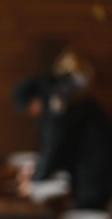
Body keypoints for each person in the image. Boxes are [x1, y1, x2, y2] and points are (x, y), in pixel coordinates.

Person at [12, 73, 112, 210]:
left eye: (29, 109)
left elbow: (55, 145)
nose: (32, 114)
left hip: (95, 161)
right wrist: (38, 169)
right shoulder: (54, 93)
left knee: (89, 205)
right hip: (91, 160)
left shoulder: (57, 100)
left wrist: (35, 178)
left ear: (33, 100)